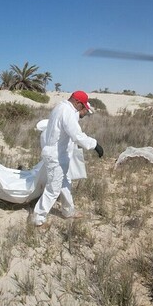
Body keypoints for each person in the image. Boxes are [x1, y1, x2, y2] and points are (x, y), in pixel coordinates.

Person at [33, 91, 103, 227]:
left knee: (65, 183)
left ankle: (68, 211)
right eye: (81, 106)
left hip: (59, 155)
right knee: (53, 189)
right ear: (77, 102)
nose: (81, 110)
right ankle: (38, 218)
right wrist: (95, 145)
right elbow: (76, 135)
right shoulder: (67, 111)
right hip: (56, 157)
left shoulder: (60, 107)